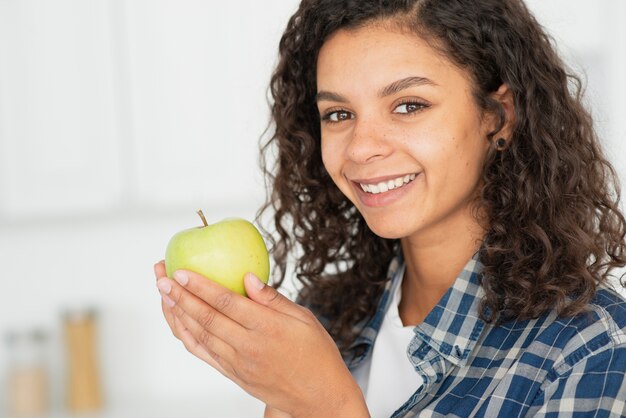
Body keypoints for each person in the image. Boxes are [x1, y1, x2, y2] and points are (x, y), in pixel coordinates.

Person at [154, 0, 626, 416]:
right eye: (338, 114)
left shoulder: (594, 350)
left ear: (498, 116)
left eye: (408, 105)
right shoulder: (327, 319)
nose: (361, 149)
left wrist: (328, 405)